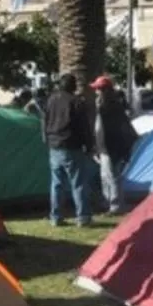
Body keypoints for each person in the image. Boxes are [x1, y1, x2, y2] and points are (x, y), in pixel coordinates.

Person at [44, 74, 94, 227]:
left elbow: (44, 121)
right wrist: (89, 145)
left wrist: (46, 140)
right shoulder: (76, 102)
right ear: (73, 86)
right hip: (72, 146)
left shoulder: (51, 100)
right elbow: (84, 126)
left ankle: (56, 216)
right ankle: (83, 216)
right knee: (78, 183)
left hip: (54, 146)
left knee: (57, 184)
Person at [91, 76, 139, 215]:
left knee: (111, 175)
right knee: (106, 175)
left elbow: (108, 129)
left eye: (98, 89)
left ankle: (115, 204)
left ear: (104, 90)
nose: (96, 92)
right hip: (105, 146)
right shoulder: (106, 104)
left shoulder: (109, 106)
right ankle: (108, 201)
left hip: (110, 147)